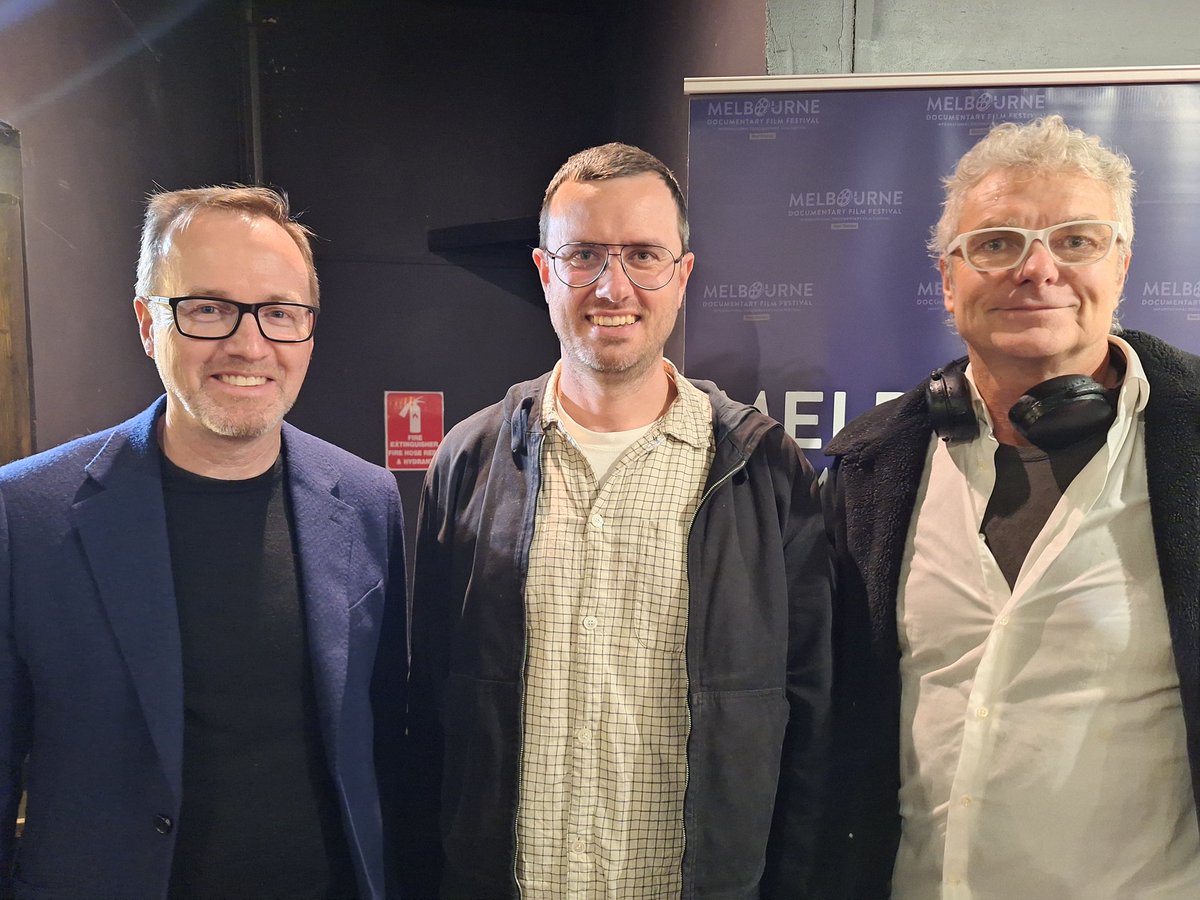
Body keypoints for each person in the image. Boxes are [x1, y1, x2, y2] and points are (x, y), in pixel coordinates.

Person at [405, 143, 831, 898]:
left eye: (642, 255)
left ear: (682, 275)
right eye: (584, 256)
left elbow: (810, 725)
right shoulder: (469, 464)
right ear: (544, 272)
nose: (613, 286)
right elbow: (433, 712)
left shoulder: (765, 474)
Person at [819, 114, 1200, 898]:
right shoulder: (871, 467)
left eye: (1076, 240)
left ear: (1121, 266)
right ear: (949, 280)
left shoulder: (1189, 444)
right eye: (996, 244)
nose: (1038, 270)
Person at [0, 186, 406, 898]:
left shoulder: (368, 500)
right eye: (208, 309)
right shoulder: (25, 515)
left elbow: (388, 743)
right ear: (147, 323)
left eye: (280, 313)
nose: (249, 345)